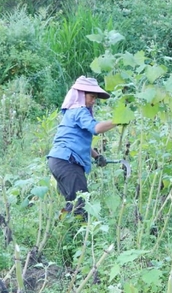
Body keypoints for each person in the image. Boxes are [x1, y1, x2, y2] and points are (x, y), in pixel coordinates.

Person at [47, 76, 119, 219]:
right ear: (80, 95)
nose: (93, 101)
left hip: (58, 161)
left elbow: (78, 142)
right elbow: (96, 128)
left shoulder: (71, 113)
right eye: (91, 96)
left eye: (95, 98)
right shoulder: (79, 111)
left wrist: (96, 156)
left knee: (73, 202)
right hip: (67, 162)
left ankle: (61, 231)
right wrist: (118, 120)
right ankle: (81, 238)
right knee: (81, 203)